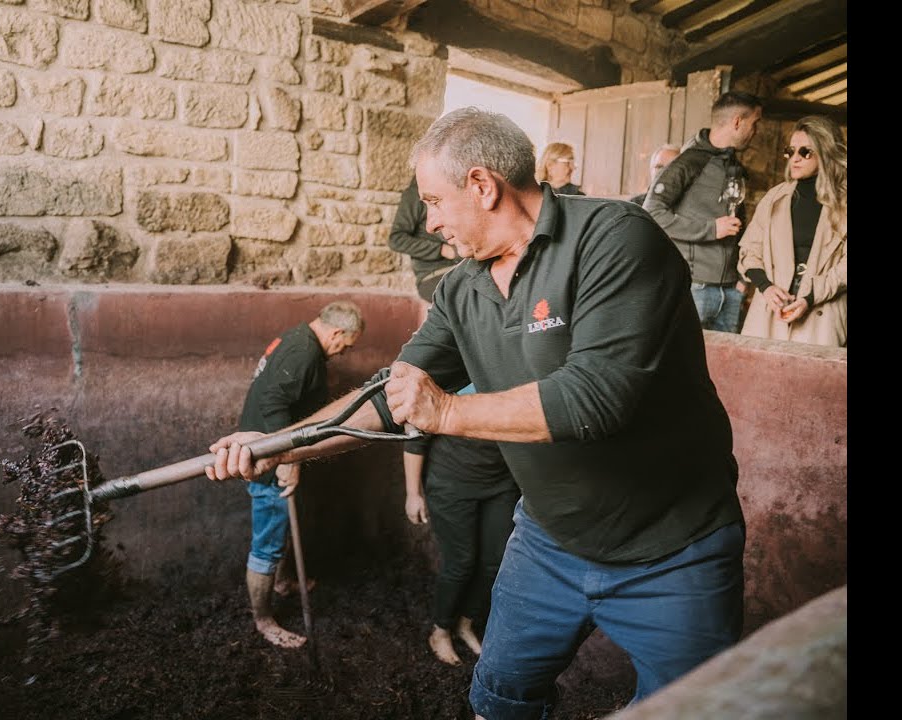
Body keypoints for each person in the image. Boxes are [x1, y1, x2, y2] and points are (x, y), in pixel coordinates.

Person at [206, 107, 745, 720]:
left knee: (697, 708)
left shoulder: (615, 237)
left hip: (675, 548)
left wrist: (444, 412)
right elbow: (390, 394)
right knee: (500, 696)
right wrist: (280, 446)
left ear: (483, 186)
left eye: (434, 202)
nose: (432, 225)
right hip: (548, 542)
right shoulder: (462, 288)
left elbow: (598, 397)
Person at [238, 300, 365, 649]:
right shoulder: (303, 353)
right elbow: (274, 404)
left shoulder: (298, 338)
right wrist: (287, 460)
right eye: (346, 345)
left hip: (271, 452)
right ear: (337, 332)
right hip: (267, 461)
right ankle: (263, 620)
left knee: (281, 526)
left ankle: (282, 582)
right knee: (267, 542)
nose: (343, 352)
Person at [402, 384, 519, 667]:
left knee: (496, 561)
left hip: (501, 482)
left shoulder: (516, 368)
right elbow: (416, 437)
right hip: (451, 481)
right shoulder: (454, 369)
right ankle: (440, 629)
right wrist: (413, 494)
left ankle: (465, 623)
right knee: (461, 561)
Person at [644, 91, 763, 333]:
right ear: (737, 122)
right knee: (682, 365)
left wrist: (741, 280)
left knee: (726, 369)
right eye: (755, 123)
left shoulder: (734, 165)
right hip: (695, 288)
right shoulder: (689, 162)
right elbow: (652, 212)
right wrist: (711, 229)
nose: (756, 131)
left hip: (730, 290)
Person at [737, 115, 847, 346]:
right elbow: (749, 251)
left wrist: (810, 297)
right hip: (769, 313)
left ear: (825, 153)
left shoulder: (843, 204)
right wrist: (766, 288)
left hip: (821, 314)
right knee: (759, 378)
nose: (794, 159)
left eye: (805, 152)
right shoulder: (774, 198)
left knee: (813, 380)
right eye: (790, 151)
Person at [389, 176, 460, 304]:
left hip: (461, 269)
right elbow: (396, 239)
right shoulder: (415, 193)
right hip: (434, 274)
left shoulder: (450, 188)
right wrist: (441, 250)